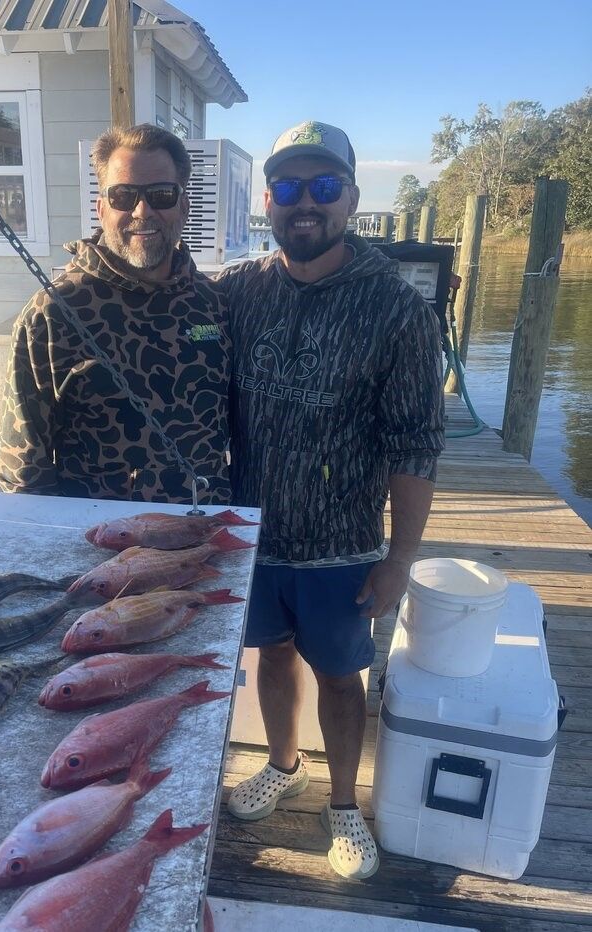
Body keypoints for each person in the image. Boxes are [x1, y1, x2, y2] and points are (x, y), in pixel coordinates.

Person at [217, 120, 445, 879]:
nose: (303, 203)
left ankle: (344, 803)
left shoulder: (397, 310)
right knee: (271, 658)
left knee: (342, 678)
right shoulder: (241, 290)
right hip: (254, 539)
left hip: (342, 546)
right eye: (287, 188)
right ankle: (284, 764)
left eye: (322, 187)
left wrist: (401, 558)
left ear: (350, 197)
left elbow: (415, 444)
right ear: (267, 201)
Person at [0, 124, 231, 504]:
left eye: (161, 195)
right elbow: (23, 469)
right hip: (103, 546)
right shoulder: (53, 313)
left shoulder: (213, 302)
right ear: (102, 208)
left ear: (184, 205)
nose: (142, 211)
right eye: (124, 195)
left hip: (203, 538)